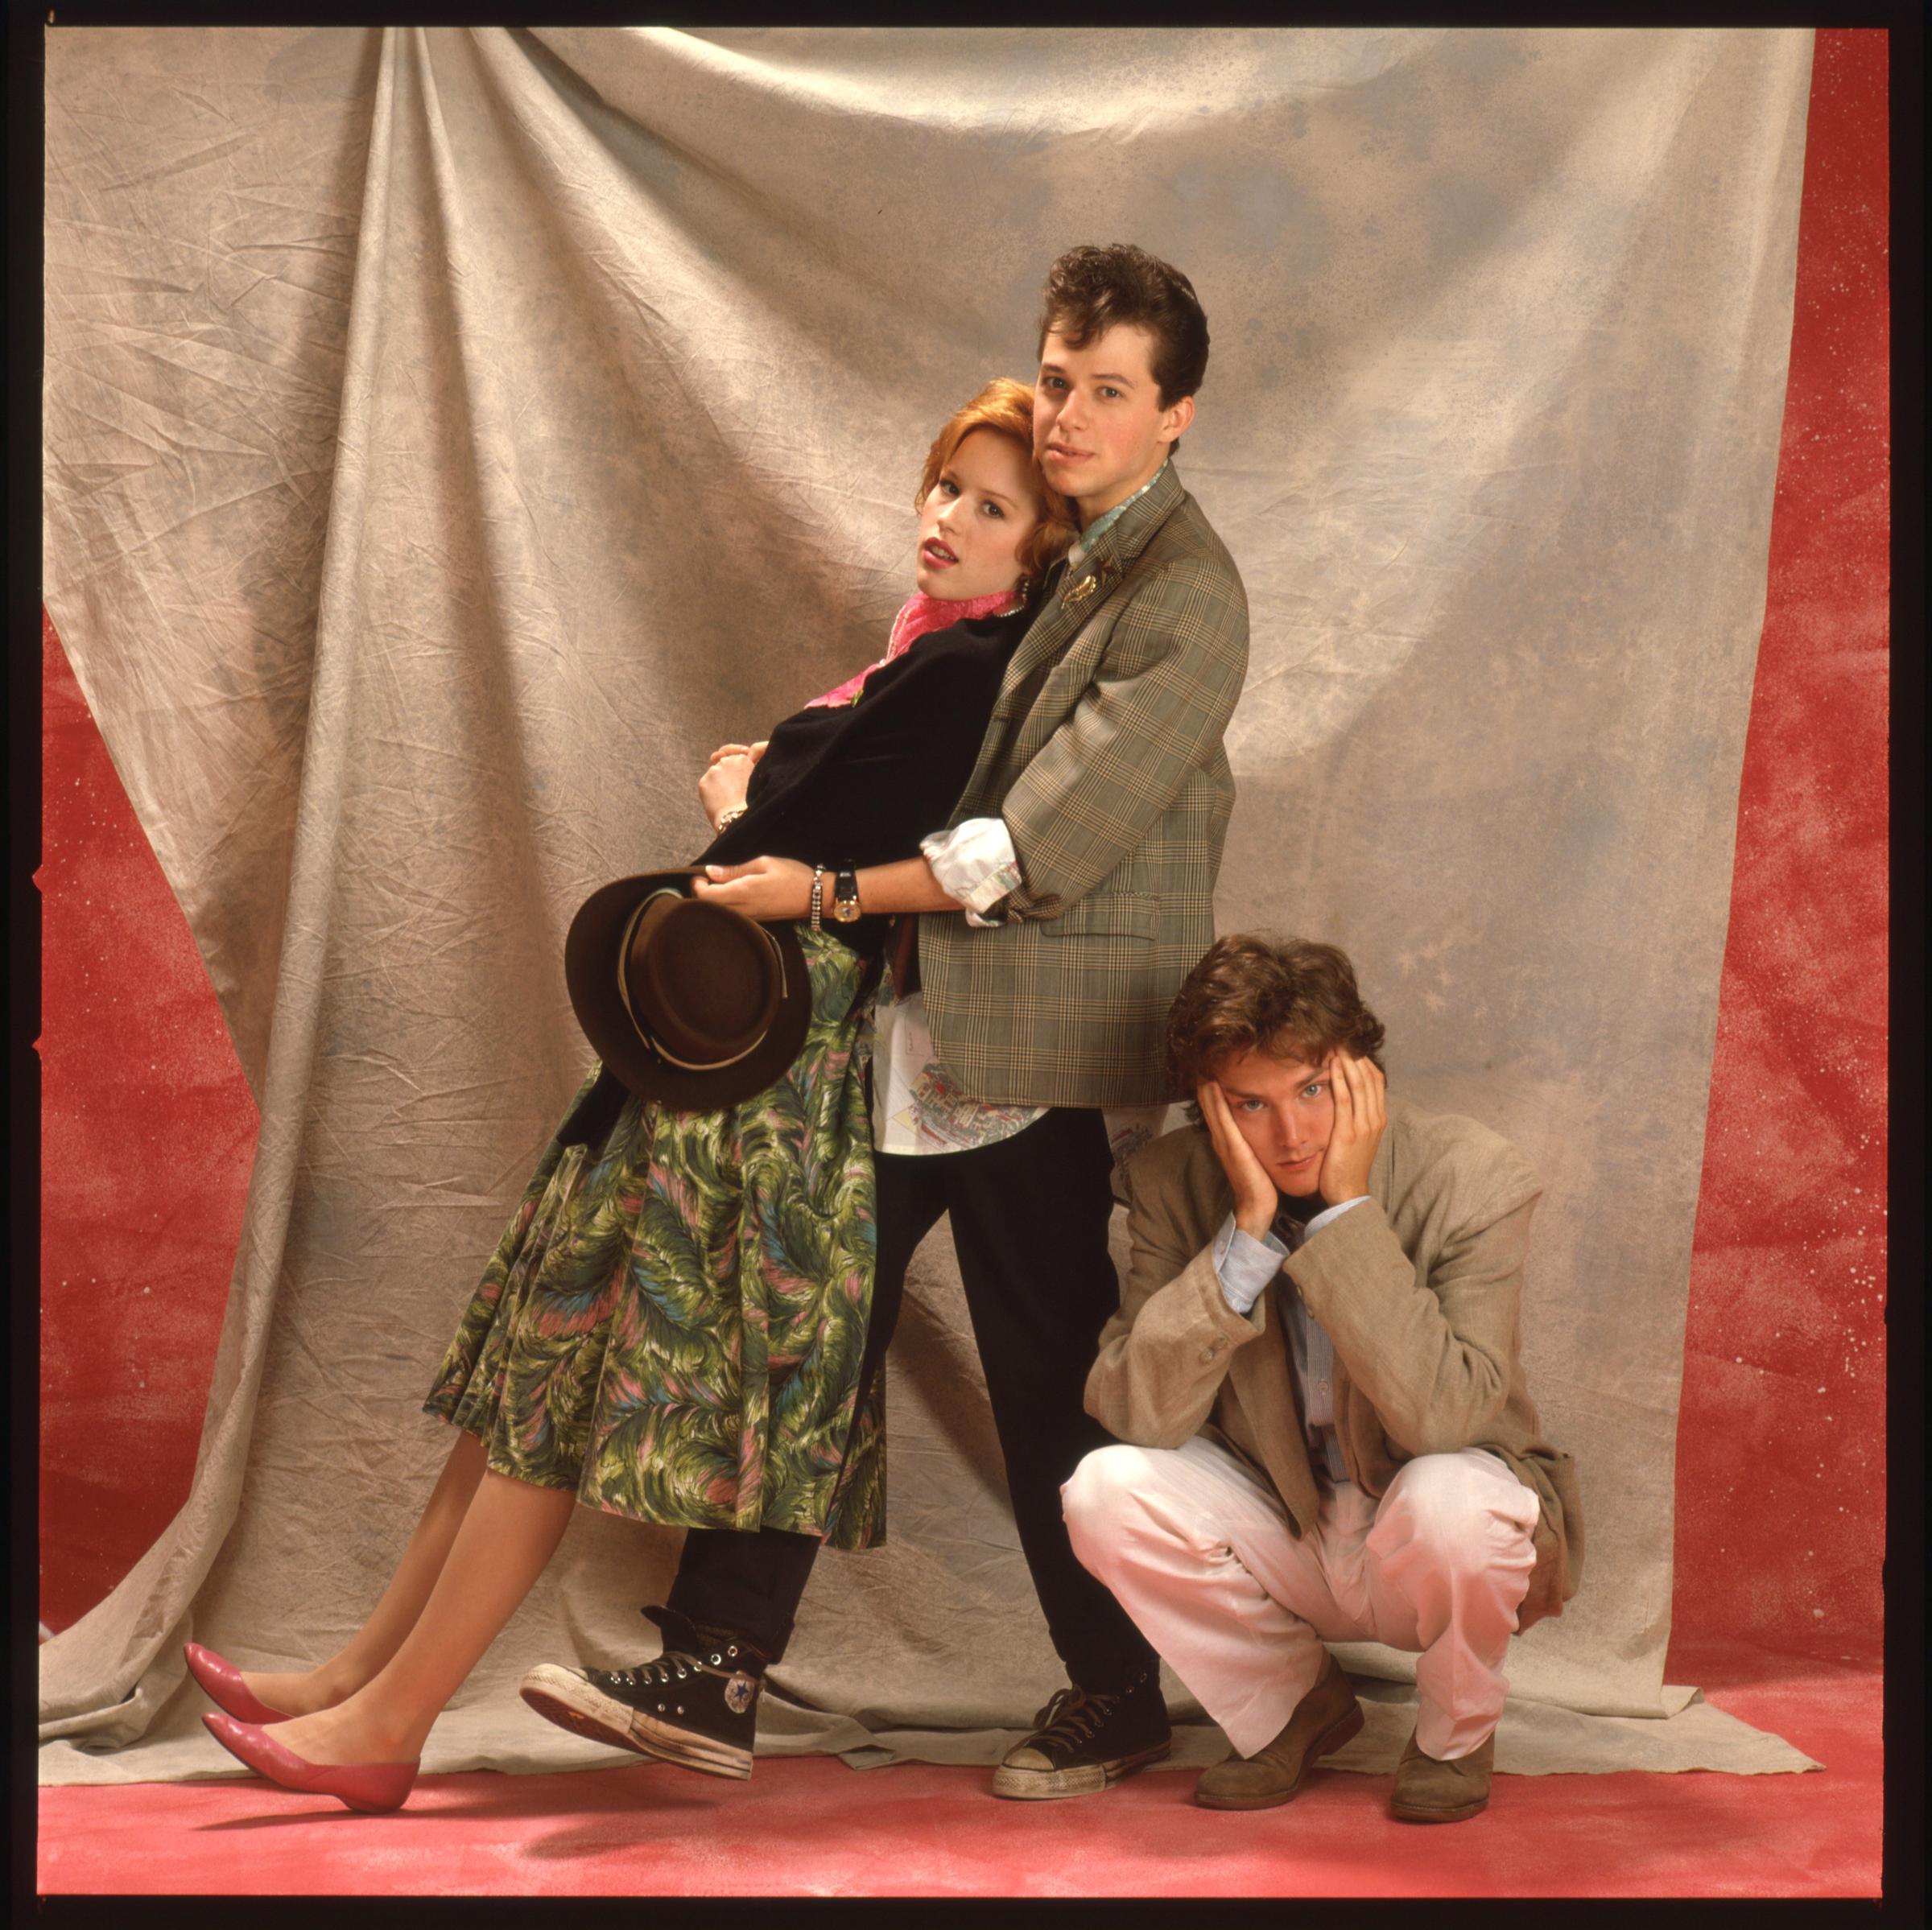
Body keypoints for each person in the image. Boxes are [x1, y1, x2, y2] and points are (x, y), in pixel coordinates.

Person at [185, 379, 1078, 1812]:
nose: (946, 519)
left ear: (1038, 549)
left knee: (560, 1383)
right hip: (722, 1054)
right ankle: (359, 1675)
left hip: (767, 1087)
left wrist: (743, 799)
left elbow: (799, 845)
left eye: (990, 505)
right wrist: (767, 805)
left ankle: (391, 1721)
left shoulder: (974, 670)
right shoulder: (919, 655)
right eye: (943, 486)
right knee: (528, 1372)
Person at [522, 241, 1250, 1801]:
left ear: (1176, 413)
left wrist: (822, 889)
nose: (1067, 415)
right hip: (924, 1037)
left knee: (1047, 1374)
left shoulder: (1186, 599)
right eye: (1057, 379)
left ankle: (1121, 1684)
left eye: (1107, 393)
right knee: (811, 1327)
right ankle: (721, 1659)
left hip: (1036, 1050)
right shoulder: (1063, 565)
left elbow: (1024, 847)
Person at [1061, 935, 1584, 1823]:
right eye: (1250, 1104)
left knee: (1457, 1498)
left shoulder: (1474, 1177)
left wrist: (1342, 1217)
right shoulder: (1170, 1181)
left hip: (1427, 1524)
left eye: (1312, 1090)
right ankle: (1291, 1706)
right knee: (1103, 1490)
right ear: (1207, 1107)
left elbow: (1448, 1417)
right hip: (1287, 1520)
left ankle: (1455, 1732)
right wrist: (1247, 1237)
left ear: (1361, 1076)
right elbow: (1136, 1412)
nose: (1292, 1133)